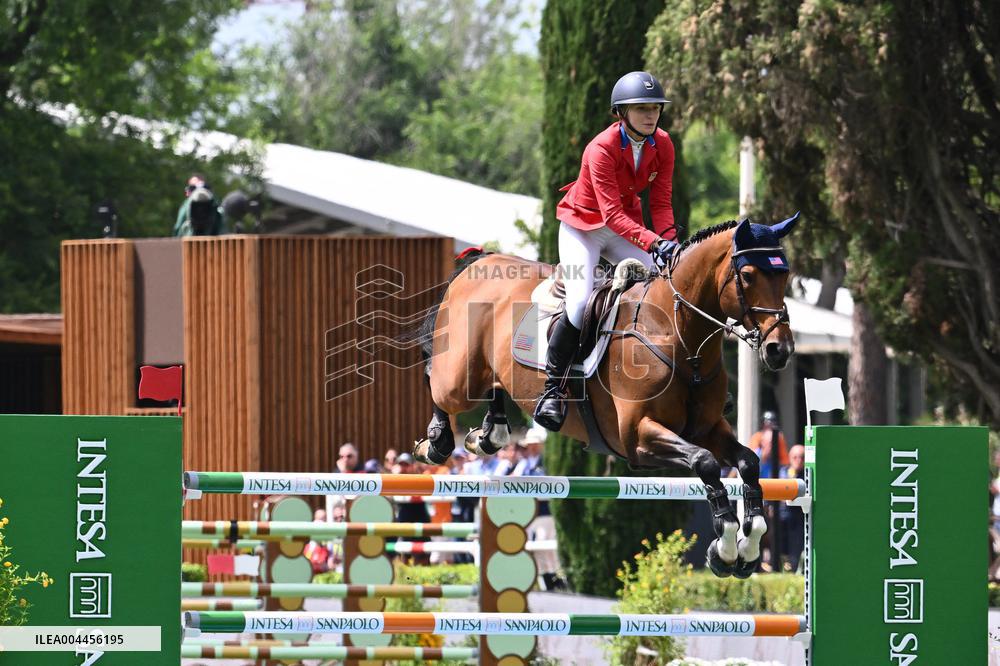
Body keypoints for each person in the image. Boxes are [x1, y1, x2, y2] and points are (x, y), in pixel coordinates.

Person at [534, 71, 678, 431]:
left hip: (623, 230)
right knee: (580, 303)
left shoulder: (664, 145)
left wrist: (670, 243)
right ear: (621, 113)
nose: (650, 115)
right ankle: (553, 389)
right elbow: (610, 213)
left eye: (654, 108)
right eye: (640, 108)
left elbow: (660, 205)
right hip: (583, 229)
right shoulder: (601, 148)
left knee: (669, 286)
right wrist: (653, 242)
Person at [779, 444, 806, 571]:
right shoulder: (782, 472)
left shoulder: (807, 475)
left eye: (802, 457)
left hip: (799, 518)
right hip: (781, 517)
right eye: (795, 457)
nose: (798, 460)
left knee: (796, 547)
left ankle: (793, 569)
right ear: (790, 458)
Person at [748, 411, 789, 479]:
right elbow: (752, 462)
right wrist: (764, 453)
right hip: (760, 472)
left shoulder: (779, 437)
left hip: (776, 470)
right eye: (767, 422)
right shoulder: (756, 437)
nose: (770, 425)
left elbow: (784, 462)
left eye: (772, 422)